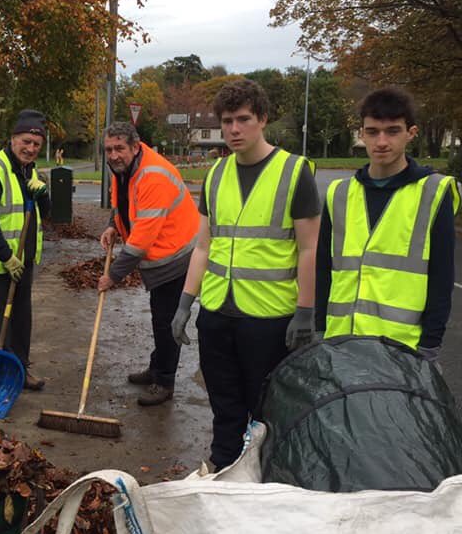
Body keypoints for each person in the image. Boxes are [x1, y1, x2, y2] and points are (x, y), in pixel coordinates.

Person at [172, 79, 321, 470]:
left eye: (243, 119)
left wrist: (306, 312)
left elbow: (309, 249)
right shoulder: (216, 174)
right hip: (217, 312)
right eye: (227, 121)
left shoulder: (293, 172)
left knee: (266, 409)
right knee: (224, 402)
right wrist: (185, 303)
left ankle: (267, 474)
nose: (234, 129)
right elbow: (203, 246)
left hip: (268, 317)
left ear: (262, 119)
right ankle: (223, 466)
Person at [315, 87, 459, 358]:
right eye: (372, 132)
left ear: (411, 133)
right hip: (341, 342)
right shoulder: (339, 193)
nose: (381, 142)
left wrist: (430, 345)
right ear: (361, 134)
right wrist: (320, 328)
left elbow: (442, 278)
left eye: (392, 131)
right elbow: (324, 268)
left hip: (401, 349)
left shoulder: (433, 192)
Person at [98, 121, 200, 406]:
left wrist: (112, 276)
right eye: (109, 149)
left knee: (167, 322)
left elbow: (141, 242)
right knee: (160, 317)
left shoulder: (153, 176)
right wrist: (112, 225)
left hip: (177, 256)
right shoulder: (124, 169)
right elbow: (122, 202)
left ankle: (164, 381)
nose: (113, 155)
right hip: (162, 252)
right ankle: (157, 367)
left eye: (119, 148)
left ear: (135, 146)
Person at [0, 109, 50, 390]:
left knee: (21, 318)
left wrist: (43, 195)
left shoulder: (30, 170)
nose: (30, 148)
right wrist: (6, 256)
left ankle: (20, 369)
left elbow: (44, 213)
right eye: (26, 141)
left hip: (23, 259)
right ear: (13, 138)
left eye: (36, 144)